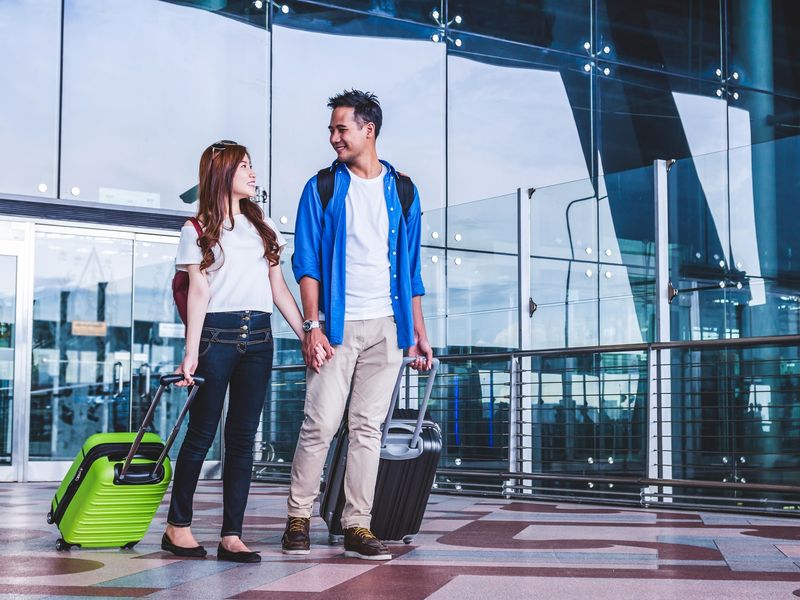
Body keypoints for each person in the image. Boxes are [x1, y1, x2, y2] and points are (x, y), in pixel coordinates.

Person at [282, 90, 433, 561]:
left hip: (387, 328)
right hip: (336, 327)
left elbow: (411, 272)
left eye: (341, 128)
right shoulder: (322, 188)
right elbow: (305, 261)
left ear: (369, 130)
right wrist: (312, 326)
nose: (333, 137)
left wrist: (420, 334)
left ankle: (357, 524)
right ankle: (298, 517)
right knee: (320, 425)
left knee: (368, 430)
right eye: (331, 129)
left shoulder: (404, 190)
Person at [163, 140, 325, 563]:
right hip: (216, 336)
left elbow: (277, 288)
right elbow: (198, 291)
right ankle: (177, 527)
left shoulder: (262, 223)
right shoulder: (195, 228)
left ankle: (231, 535)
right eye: (245, 167)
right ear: (223, 172)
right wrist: (191, 352)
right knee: (200, 435)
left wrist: (309, 331)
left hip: (259, 339)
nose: (253, 175)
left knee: (242, 439)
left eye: (253, 167)